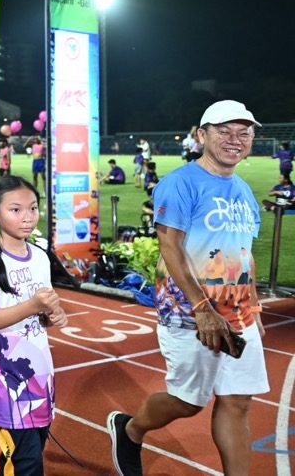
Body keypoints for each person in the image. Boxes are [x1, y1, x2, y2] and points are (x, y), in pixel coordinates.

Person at [108, 100, 267, 476]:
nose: (235, 139)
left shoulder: (244, 191)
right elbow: (171, 247)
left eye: (244, 132)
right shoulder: (180, 183)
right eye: (224, 131)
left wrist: (254, 306)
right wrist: (202, 308)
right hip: (189, 315)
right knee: (188, 401)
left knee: (238, 402)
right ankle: (130, 429)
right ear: (201, 135)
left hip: (237, 313)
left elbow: (244, 254)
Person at [0, 176, 67, 475]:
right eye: (16, 210)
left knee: (33, 448)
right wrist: (33, 306)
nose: (27, 217)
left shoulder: (40, 257)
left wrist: (53, 315)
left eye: (33, 208)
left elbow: (42, 311)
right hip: (4, 377)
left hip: (38, 369)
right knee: (25, 459)